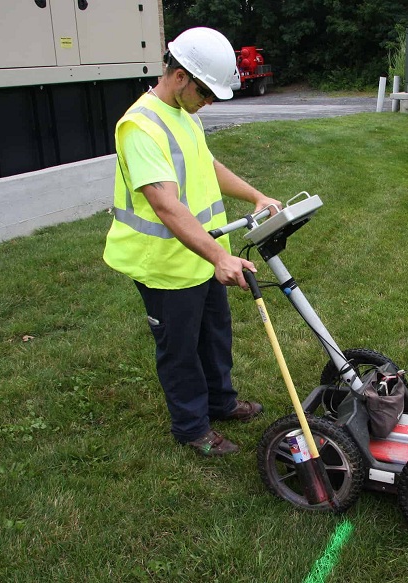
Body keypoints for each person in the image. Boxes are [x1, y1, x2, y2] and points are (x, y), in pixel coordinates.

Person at [103, 27, 282, 456]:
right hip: (164, 264)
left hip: (200, 256)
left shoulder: (185, 115)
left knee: (216, 335)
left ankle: (221, 403)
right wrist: (221, 255)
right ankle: (191, 427)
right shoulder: (139, 127)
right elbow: (165, 206)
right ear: (180, 75)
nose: (210, 101)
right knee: (180, 350)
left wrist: (255, 195)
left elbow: (209, 165)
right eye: (206, 91)